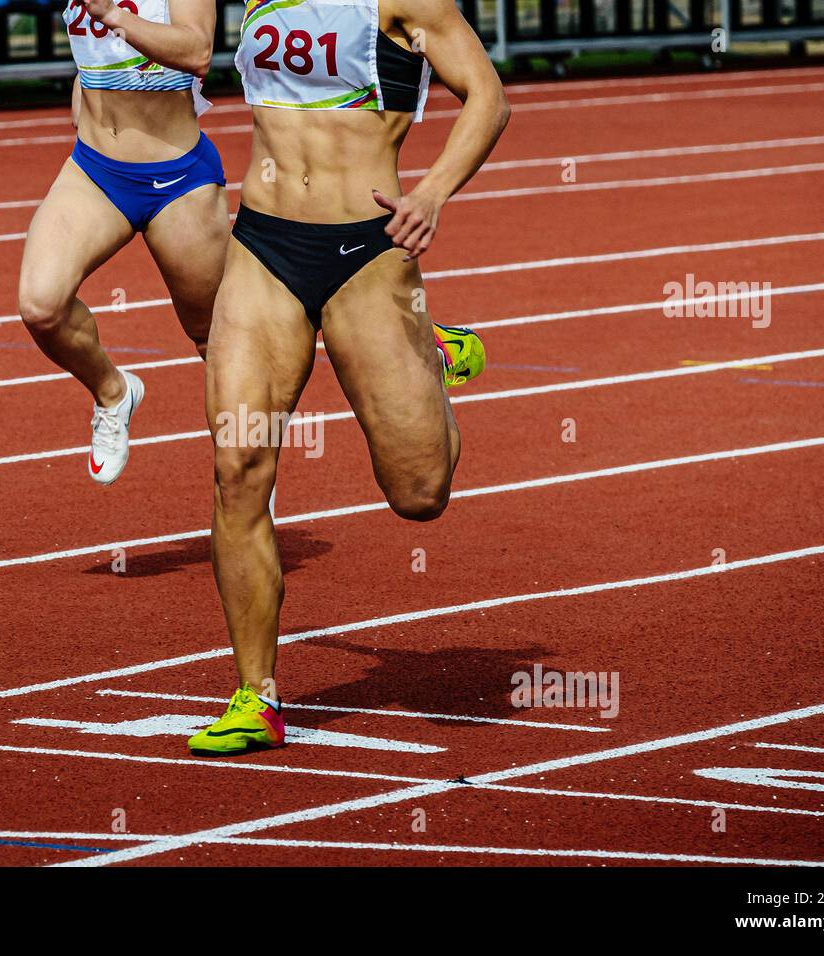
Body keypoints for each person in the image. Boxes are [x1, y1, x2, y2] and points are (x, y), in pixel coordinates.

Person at [187, 0, 511, 756]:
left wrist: (431, 193)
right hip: (263, 246)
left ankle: (431, 354)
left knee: (419, 493)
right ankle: (255, 696)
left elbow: (489, 99)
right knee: (238, 467)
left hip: (367, 249)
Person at [18, 0, 228, 484]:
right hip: (95, 170)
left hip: (178, 178)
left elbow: (197, 49)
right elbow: (98, 50)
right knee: (40, 305)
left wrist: (113, 14)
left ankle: (249, 484)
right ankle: (114, 391)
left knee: (214, 340)